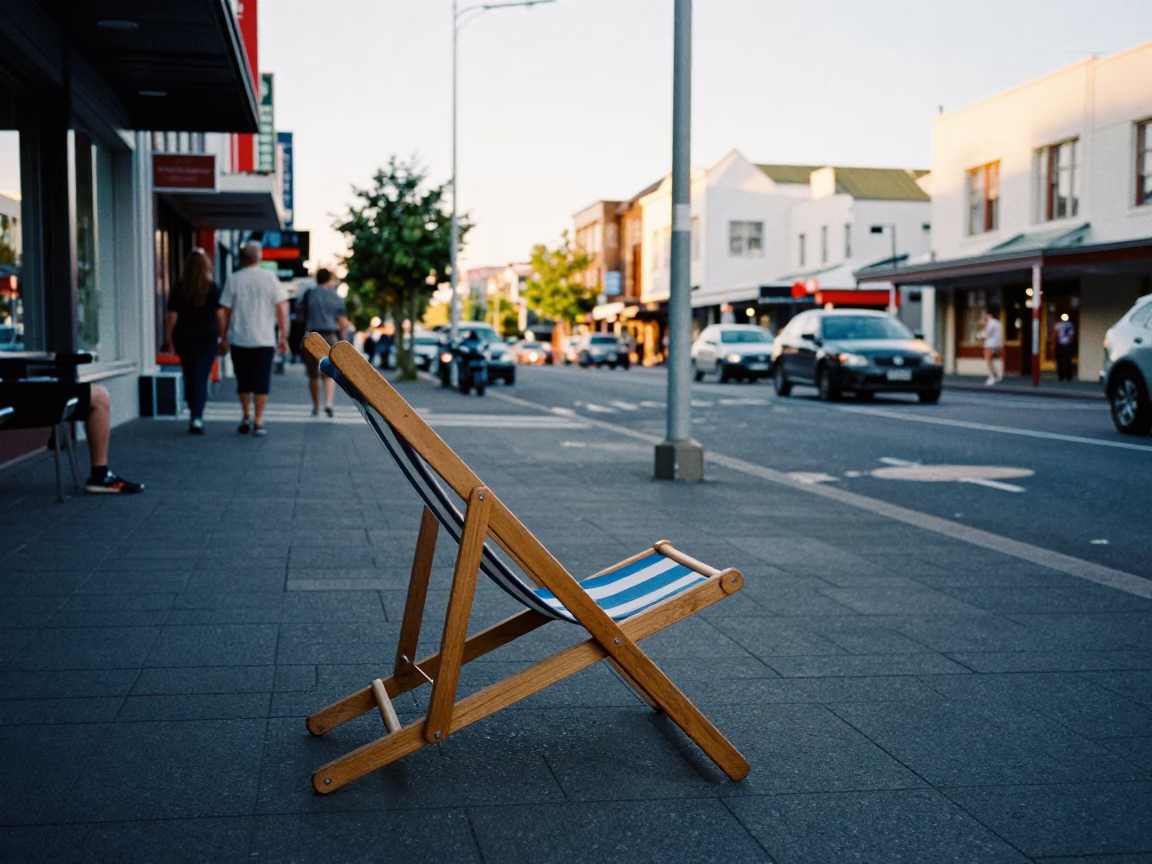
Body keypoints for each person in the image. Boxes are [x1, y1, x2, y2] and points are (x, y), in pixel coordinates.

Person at [218, 242, 288, 436]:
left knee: (243, 380)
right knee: (261, 380)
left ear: (241, 258)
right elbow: (281, 308)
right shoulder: (270, 278)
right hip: (264, 339)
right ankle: (258, 420)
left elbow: (225, 311)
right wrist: (284, 334)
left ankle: (246, 416)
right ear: (259, 257)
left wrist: (223, 336)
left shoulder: (233, 279)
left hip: (239, 338)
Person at [163, 248, 223, 434]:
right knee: (201, 376)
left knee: (189, 375)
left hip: (184, 338)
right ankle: (197, 416)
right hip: (207, 338)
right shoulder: (212, 287)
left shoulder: (180, 287)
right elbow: (220, 315)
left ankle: (193, 412)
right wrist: (223, 336)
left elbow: (172, 316)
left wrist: (169, 338)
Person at [299, 268, 351, 417]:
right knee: (329, 373)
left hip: (311, 338)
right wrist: (344, 341)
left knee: (313, 374)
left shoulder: (309, 294)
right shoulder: (335, 297)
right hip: (330, 337)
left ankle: (317, 406)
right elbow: (343, 323)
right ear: (329, 279)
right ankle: (329, 403)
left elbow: (300, 316)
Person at [980, 307, 1003, 386]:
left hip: (990, 345)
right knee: (993, 361)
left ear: (989, 315)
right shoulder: (998, 323)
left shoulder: (990, 324)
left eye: (985, 316)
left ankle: (991, 377)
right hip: (997, 345)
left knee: (988, 361)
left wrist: (983, 325)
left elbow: (985, 335)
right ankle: (997, 375)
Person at [1054, 313, 1076, 382]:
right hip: (1067, 345)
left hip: (1061, 344)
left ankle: (1061, 376)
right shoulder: (1070, 325)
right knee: (1067, 361)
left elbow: (1055, 334)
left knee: (1061, 361)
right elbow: (1072, 335)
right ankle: (1068, 376)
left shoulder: (1058, 325)